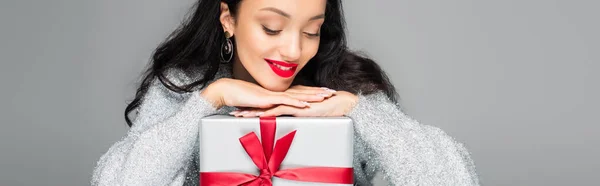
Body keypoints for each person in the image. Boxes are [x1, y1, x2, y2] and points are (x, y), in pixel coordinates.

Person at [91, 0, 480, 185]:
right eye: (273, 28)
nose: (293, 51)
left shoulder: (348, 86)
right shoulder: (186, 86)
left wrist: (356, 110)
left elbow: (454, 181)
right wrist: (211, 99)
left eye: (311, 31)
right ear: (229, 19)